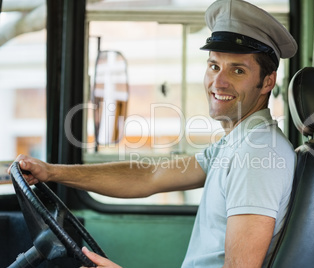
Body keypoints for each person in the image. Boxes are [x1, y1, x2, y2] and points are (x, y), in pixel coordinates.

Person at [10, 0, 297, 267]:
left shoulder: (258, 153)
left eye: (237, 71)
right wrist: (52, 172)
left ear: (268, 81)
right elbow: (150, 175)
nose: (218, 82)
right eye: (213, 66)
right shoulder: (238, 142)